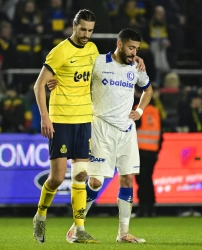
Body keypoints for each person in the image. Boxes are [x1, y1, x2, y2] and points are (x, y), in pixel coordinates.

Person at [33, 9, 145, 244]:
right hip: (61, 118)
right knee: (56, 178)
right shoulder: (60, 51)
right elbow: (38, 85)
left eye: (90, 30)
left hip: (85, 119)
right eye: (82, 29)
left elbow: (108, 67)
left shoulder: (93, 51)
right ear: (74, 26)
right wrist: (45, 117)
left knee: (82, 175)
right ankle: (40, 215)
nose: (86, 34)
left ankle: (79, 229)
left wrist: (135, 59)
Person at [134, 100, 161, 217]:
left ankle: (143, 207)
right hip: (153, 151)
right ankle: (151, 208)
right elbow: (161, 133)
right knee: (148, 180)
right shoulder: (155, 111)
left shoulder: (137, 110)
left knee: (141, 181)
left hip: (140, 150)